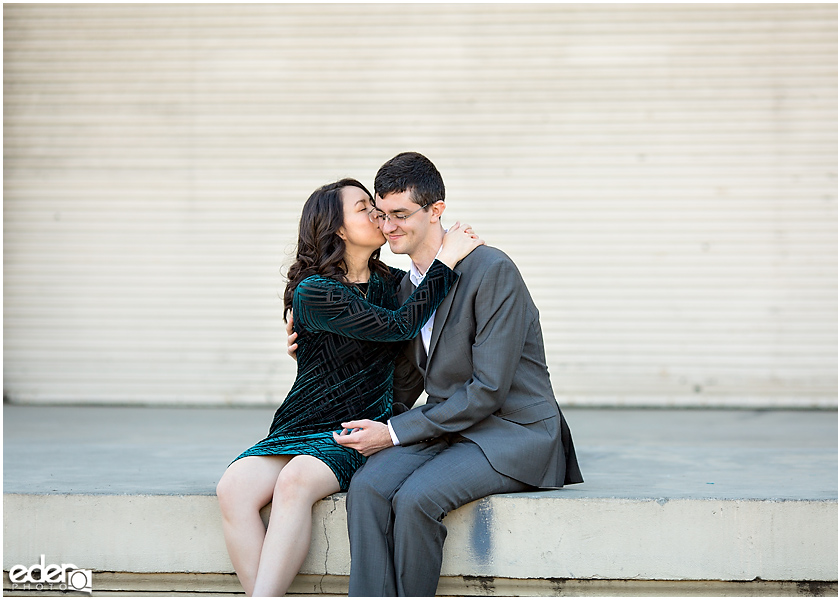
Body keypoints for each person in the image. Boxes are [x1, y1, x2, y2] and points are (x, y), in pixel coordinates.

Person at [329, 152, 583, 596]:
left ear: (436, 211)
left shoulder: (492, 270)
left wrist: (391, 434)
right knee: (367, 488)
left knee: (415, 499)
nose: (388, 228)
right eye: (382, 214)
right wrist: (318, 351)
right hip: (450, 426)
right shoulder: (409, 287)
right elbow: (405, 381)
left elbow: (487, 390)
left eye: (402, 215)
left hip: (512, 431)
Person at [216, 177, 482, 597]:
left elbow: (414, 333)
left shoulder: (394, 285)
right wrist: (444, 263)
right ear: (337, 228)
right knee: (232, 487)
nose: (378, 216)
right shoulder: (315, 291)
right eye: (364, 208)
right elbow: (399, 326)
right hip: (300, 423)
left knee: (295, 481)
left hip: (356, 427)